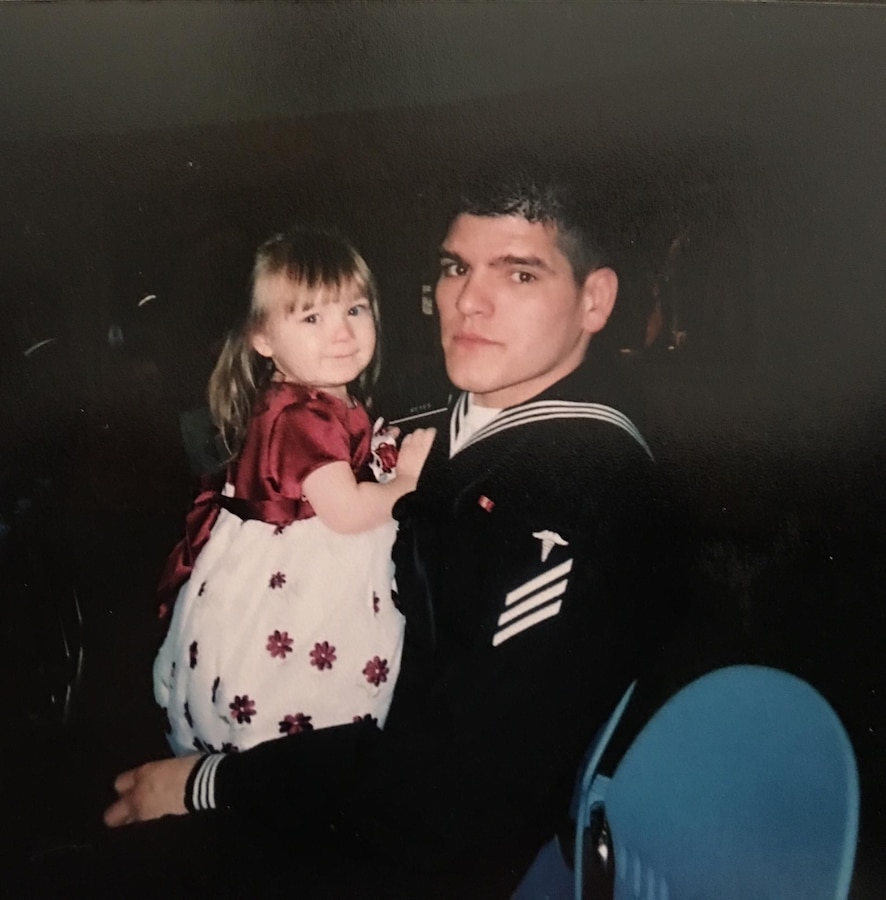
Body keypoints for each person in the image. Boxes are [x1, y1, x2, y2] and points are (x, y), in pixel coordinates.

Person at [33, 168, 669, 898]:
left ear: (595, 301)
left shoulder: (578, 490)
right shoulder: (429, 422)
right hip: (305, 761)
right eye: (456, 267)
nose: (468, 299)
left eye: (520, 274)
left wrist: (213, 783)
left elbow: (453, 788)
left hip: (394, 852)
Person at [153, 228, 435, 756]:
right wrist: (407, 481)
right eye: (312, 317)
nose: (342, 334)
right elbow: (349, 512)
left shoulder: (311, 398)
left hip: (273, 566)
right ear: (262, 337)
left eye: (355, 309)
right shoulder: (305, 416)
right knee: (309, 693)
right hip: (302, 586)